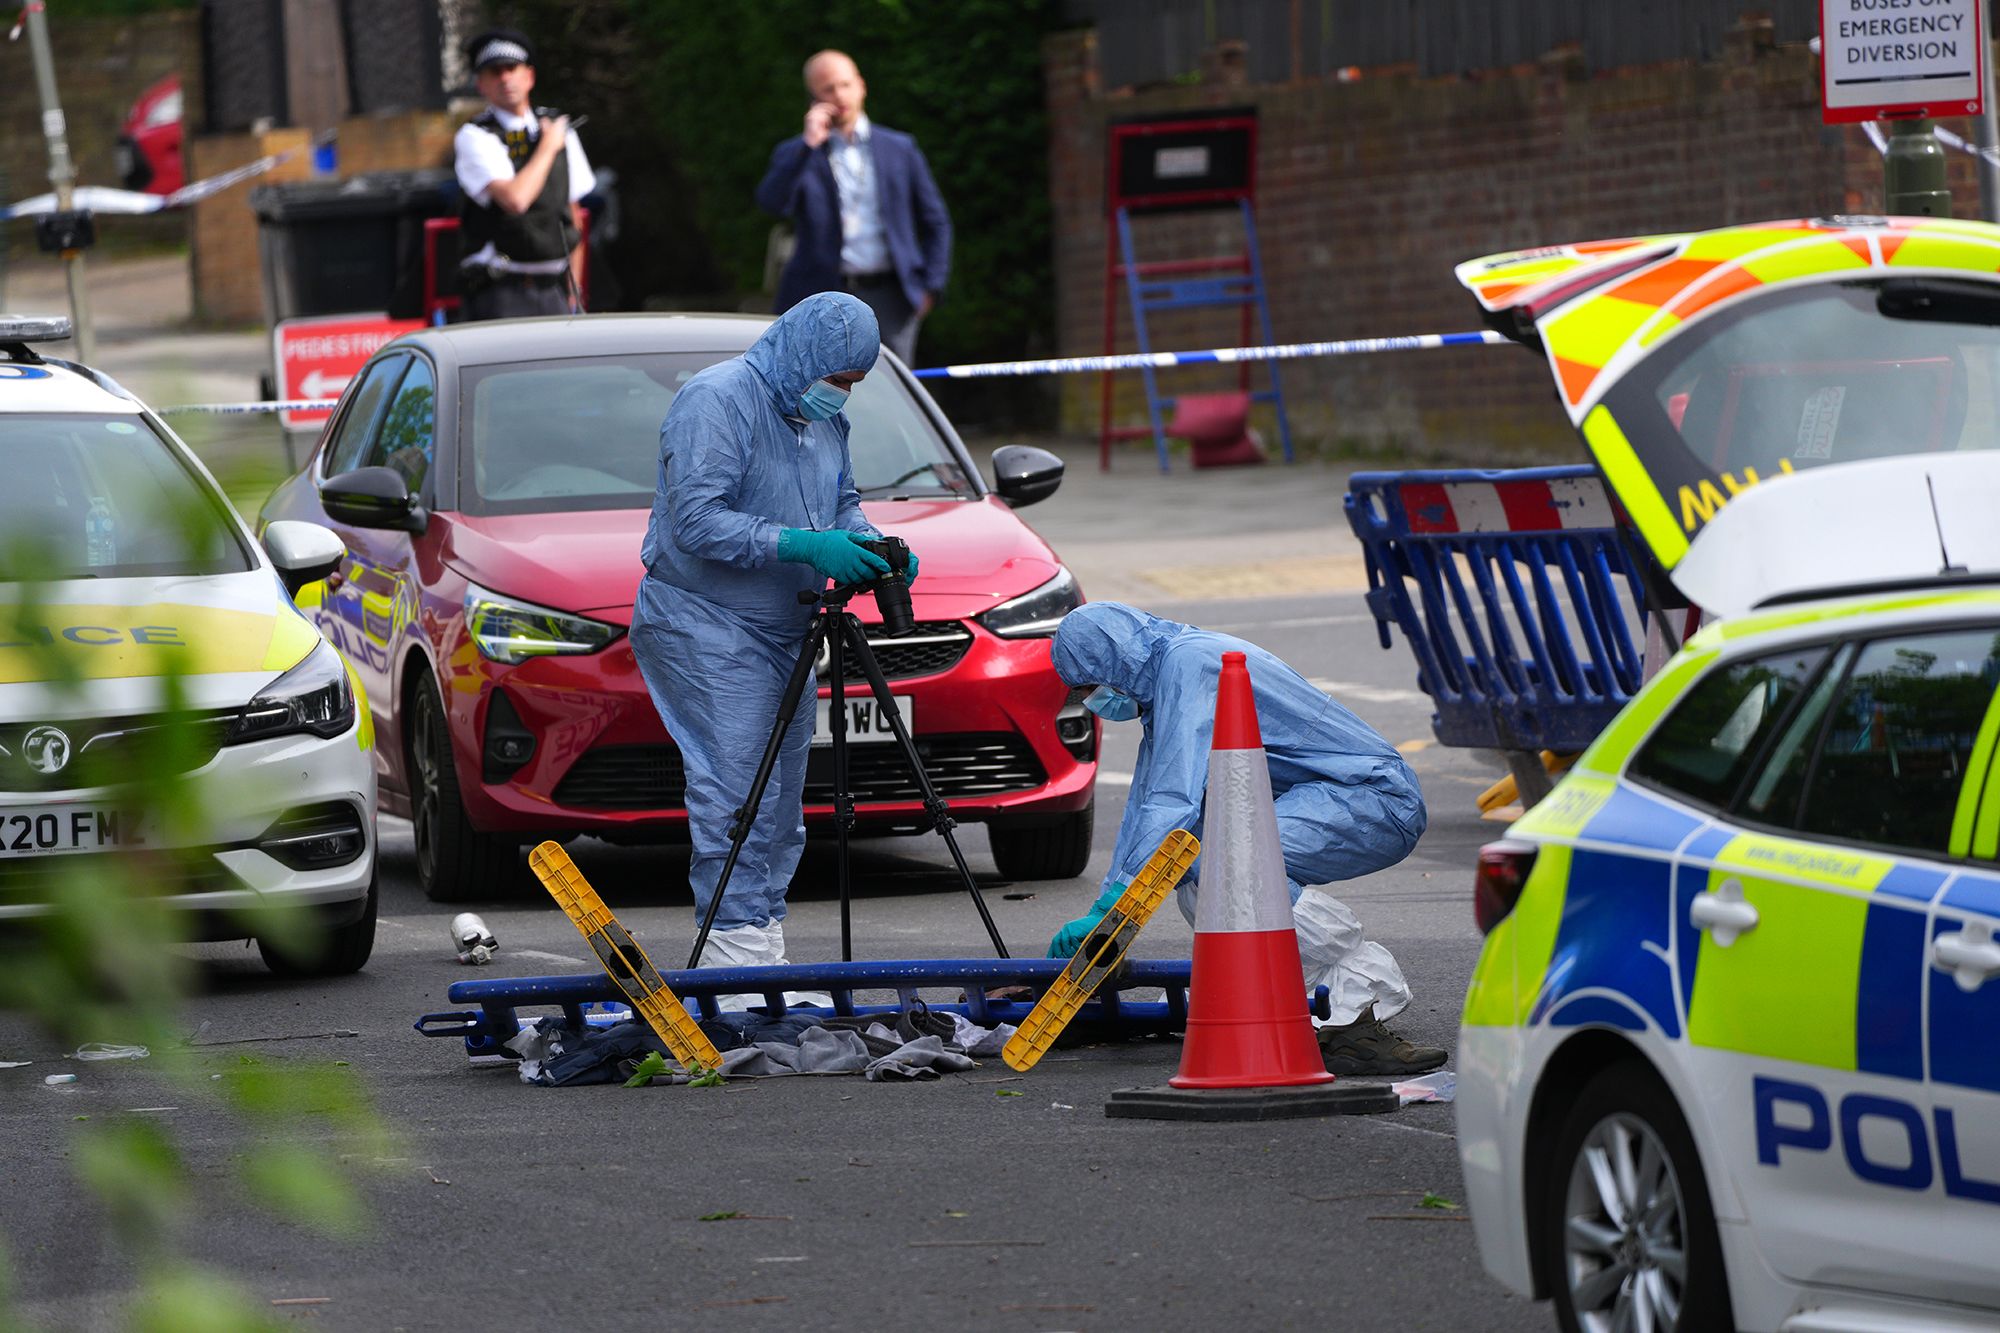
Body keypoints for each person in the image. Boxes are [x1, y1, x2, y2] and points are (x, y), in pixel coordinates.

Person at [630, 292, 918, 993]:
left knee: (782, 803)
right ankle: (731, 956)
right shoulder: (717, 400)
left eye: (853, 383)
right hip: (705, 622)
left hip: (784, 630)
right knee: (736, 794)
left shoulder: (823, 419)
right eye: (838, 379)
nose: (842, 393)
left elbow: (841, 501)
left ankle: (762, 944)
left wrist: (866, 543)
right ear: (805, 355)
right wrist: (804, 544)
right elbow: (696, 521)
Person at [1048, 602, 1446, 1076]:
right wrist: (1105, 911)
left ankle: (1358, 1010)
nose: (1091, 701)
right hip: (1331, 792)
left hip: (1370, 795)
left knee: (1226, 867)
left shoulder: (1188, 665)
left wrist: (1116, 903)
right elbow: (1147, 806)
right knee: (1199, 871)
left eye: (1088, 687)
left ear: (1114, 660)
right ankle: (1280, 997)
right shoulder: (1166, 681)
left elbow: (1172, 797)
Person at [754, 49, 952, 365]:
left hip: (891, 296)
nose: (839, 95)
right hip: (820, 295)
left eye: (845, 85)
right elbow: (772, 202)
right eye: (827, 89)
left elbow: (936, 221)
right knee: (815, 383)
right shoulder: (799, 153)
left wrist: (929, 288)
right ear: (813, 99)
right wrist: (807, 146)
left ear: (861, 86)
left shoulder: (899, 148)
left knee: (887, 386)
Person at [452, 29, 595, 321]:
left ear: (529, 76)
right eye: (495, 72)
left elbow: (572, 214)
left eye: (512, 68)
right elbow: (516, 200)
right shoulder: (475, 135)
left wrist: (575, 290)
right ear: (481, 84)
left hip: (554, 290)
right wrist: (548, 146)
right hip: (501, 291)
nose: (505, 78)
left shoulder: (558, 128)